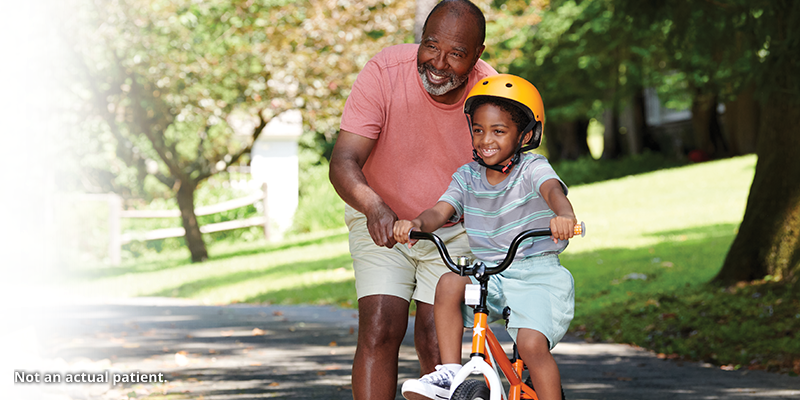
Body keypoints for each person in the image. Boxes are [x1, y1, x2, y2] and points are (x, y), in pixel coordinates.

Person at [328, 1, 497, 399]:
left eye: (456, 54)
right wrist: (373, 206)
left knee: (437, 341)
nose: (439, 63)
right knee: (380, 326)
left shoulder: (490, 94)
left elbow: (503, 178)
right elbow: (343, 161)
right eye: (431, 46)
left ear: (477, 56)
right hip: (380, 217)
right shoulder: (385, 71)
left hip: (451, 229)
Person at [394, 74, 577, 400]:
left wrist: (565, 216)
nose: (485, 139)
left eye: (498, 131)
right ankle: (450, 374)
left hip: (538, 274)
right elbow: (441, 210)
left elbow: (552, 190)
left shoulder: (532, 168)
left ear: (526, 134)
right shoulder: (467, 177)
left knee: (531, 345)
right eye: (478, 130)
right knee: (449, 282)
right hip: (490, 273)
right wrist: (417, 224)